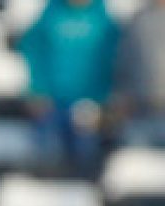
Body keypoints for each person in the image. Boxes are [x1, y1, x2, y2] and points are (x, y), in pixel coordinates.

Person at [17, 0, 120, 172]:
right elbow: (34, 52)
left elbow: (114, 62)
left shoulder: (105, 22)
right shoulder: (50, 16)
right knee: (48, 154)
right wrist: (37, 89)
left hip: (90, 102)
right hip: (53, 102)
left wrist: (106, 97)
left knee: (87, 154)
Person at [112, 0, 165, 146]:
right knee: (137, 159)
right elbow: (124, 60)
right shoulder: (139, 20)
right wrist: (122, 96)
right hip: (142, 108)